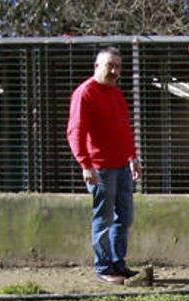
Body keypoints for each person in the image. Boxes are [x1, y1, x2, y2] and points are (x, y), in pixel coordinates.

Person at [67, 46, 142, 285]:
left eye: (118, 66)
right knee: (103, 218)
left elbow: (124, 129)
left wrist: (132, 157)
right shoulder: (85, 93)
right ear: (97, 66)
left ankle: (118, 263)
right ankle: (103, 267)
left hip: (121, 166)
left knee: (125, 217)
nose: (114, 71)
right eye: (110, 65)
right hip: (100, 167)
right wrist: (85, 164)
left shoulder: (116, 94)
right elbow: (76, 131)